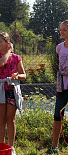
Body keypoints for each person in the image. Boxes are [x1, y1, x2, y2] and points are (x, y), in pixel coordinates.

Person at [0, 32, 26, 155]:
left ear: (7, 43)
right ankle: (1, 146)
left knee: (11, 119)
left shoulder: (17, 58)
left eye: (0, 41)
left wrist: (17, 76)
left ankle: (11, 147)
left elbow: (24, 75)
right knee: (1, 120)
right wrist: (9, 52)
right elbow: (1, 63)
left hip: (12, 90)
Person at [46, 20, 68, 154]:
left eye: (64, 29)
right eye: (61, 29)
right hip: (62, 86)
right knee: (57, 115)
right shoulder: (59, 47)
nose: (61, 32)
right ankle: (54, 147)